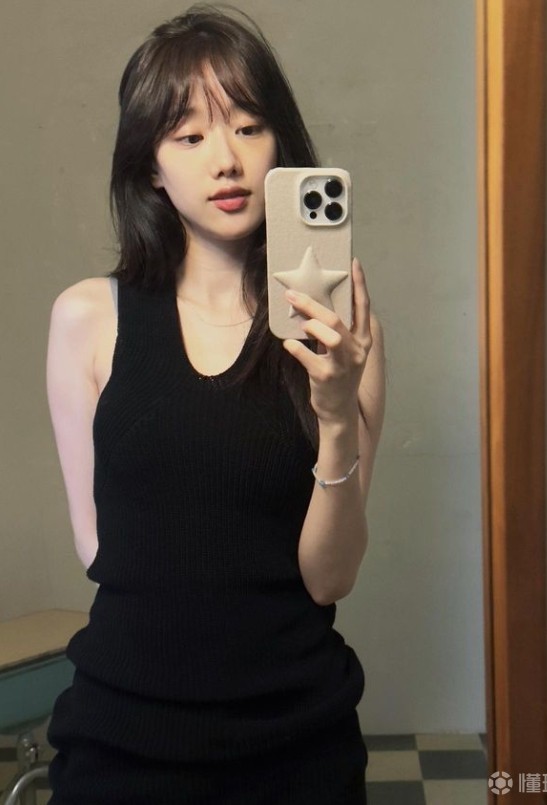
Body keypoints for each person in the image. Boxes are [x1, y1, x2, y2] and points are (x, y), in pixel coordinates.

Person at [45, 4, 386, 804]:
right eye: (190, 136)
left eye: (248, 127)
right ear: (151, 168)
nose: (225, 160)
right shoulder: (87, 318)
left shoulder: (343, 334)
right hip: (122, 738)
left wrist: (338, 412)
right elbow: (99, 549)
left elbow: (330, 577)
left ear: (280, 147)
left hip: (297, 743)